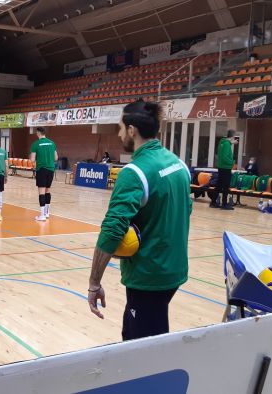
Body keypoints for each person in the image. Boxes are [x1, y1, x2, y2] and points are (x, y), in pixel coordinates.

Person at [87, 100, 191, 341]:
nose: (120, 133)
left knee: (142, 347)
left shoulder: (134, 173)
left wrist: (94, 282)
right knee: (141, 329)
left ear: (132, 130)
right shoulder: (180, 165)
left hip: (149, 277)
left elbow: (112, 231)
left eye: (121, 128)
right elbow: (186, 212)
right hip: (174, 270)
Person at [30, 127, 58, 221]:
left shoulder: (36, 144)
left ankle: (42, 215)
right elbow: (56, 158)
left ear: (38, 133)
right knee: (48, 191)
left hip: (41, 169)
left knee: (41, 192)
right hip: (51, 169)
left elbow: (32, 160)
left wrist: (36, 159)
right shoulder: (52, 143)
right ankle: (47, 213)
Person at [214, 129, 238, 210]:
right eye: (234, 137)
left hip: (221, 167)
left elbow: (223, 154)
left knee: (219, 185)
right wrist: (232, 162)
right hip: (226, 168)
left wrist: (231, 143)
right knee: (225, 186)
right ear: (232, 137)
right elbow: (225, 157)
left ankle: (213, 202)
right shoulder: (227, 144)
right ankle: (224, 204)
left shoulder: (222, 143)